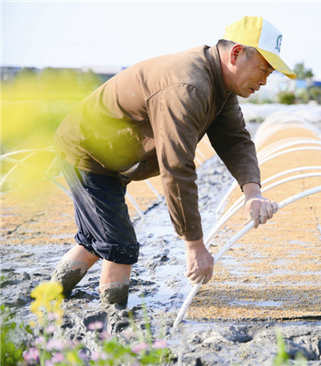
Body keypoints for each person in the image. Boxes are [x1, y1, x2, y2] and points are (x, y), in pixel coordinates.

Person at [50, 16, 297, 307]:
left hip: (112, 156)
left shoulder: (220, 87)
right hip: (89, 151)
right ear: (236, 53)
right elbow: (176, 166)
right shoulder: (189, 85)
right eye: (264, 68)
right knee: (120, 245)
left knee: (96, 239)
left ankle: (49, 296)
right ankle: (112, 317)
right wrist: (194, 245)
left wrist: (252, 193)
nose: (265, 80)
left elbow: (235, 140)